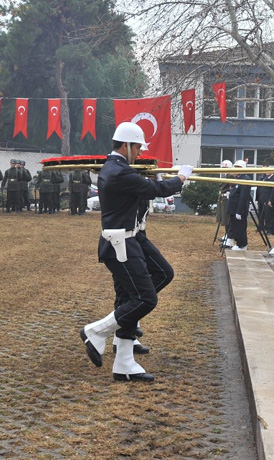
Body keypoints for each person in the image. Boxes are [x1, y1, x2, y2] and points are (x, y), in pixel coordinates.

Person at [79, 122, 192, 382]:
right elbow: (156, 191)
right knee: (144, 300)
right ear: (127, 145)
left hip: (131, 239)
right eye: (138, 147)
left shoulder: (119, 169)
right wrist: (181, 178)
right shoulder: (118, 171)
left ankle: (124, 362)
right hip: (120, 244)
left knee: (160, 276)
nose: (140, 152)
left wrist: (156, 178)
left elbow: (143, 193)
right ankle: (96, 331)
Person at [227, 160, 252, 250]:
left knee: (240, 228)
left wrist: (239, 211)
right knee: (235, 228)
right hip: (233, 209)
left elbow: (243, 197)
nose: (234, 170)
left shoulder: (245, 179)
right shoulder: (237, 179)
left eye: (237, 168)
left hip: (239, 209)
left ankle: (243, 244)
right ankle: (238, 243)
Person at [257, 160, 274, 236]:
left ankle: (271, 230)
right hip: (262, 199)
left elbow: (273, 191)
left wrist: (270, 200)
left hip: (269, 200)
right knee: (264, 215)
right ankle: (265, 228)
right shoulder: (264, 178)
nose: (266, 172)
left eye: (268, 170)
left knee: (270, 216)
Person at [217, 160, 234, 247]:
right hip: (223, 198)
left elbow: (231, 188)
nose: (224, 169)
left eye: (225, 168)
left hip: (227, 198)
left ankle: (229, 235)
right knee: (224, 217)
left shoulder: (230, 176)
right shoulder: (225, 175)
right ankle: (227, 234)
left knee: (227, 218)